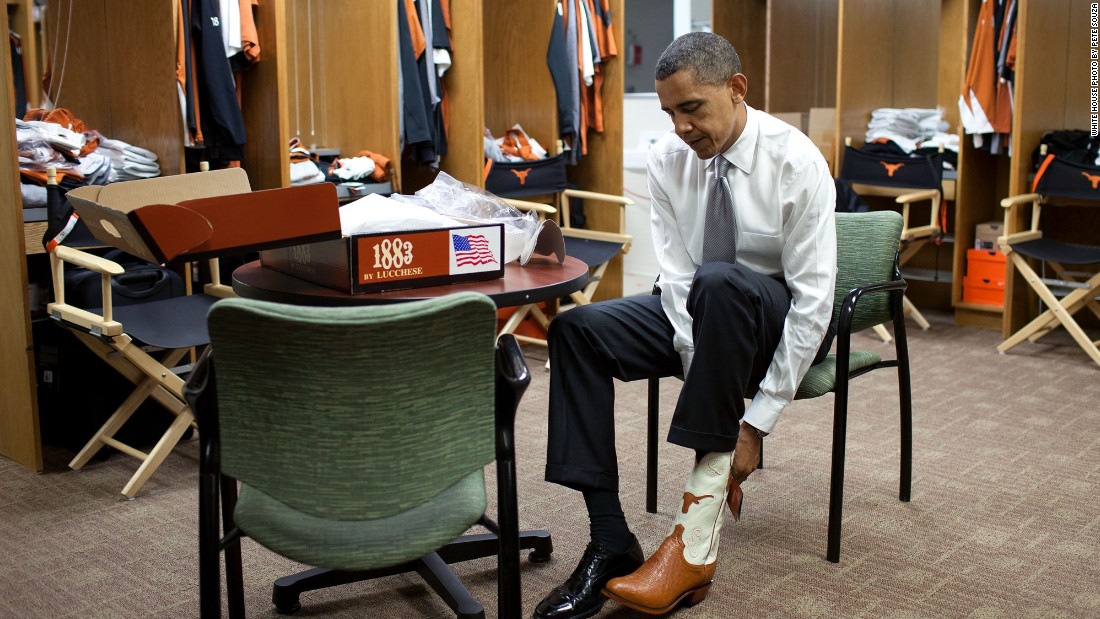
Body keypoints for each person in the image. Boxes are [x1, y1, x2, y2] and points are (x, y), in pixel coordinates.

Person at [532, 31, 837, 619]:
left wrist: (755, 424)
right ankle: (611, 540)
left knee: (720, 280)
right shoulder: (668, 162)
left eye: (692, 108)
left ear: (737, 89)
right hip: (704, 313)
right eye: (669, 112)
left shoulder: (795, 160)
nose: (679, 127)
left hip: (777, 319)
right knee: (577, 331)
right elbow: (675, 281)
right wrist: (708, 377)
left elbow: (813, 304)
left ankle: (692, 539)